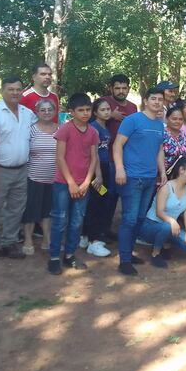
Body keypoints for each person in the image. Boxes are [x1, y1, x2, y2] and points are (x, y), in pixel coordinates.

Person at [0, 76, 37, 266]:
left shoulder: (28, 113)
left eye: (18, 89)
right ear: (2, 91)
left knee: (16, 209)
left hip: (22, 169)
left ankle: (8, 243)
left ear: (22, 91)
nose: (15, 93)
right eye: (10, 89)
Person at [113, 86, 166, 276]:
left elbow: (159, 149)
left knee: (140, 218)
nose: (157, 102)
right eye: (154, 99)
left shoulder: (160, 124)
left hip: (150, 177)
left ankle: (129, 253)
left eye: (160, 99)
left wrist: (162, 172)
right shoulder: (132, 120)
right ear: (146, 100)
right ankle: (124, 260)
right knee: (129, 218)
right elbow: (118, 145)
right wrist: (120, 169)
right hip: (132, 177)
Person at [46, 94, 100, 275]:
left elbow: (93, 158)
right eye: (81, 110)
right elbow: (59, 158)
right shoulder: (65, 130)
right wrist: (71, 183)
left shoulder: (93, 132)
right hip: (63, 184)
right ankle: (54, 257)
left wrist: (86, 182)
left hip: (83, 185)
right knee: (60, 220)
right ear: (72, 112)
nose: (85, 114)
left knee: (77, 222)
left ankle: (69, 255)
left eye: (88, 110)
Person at [138, 157, 186, 267]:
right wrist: (172, 221)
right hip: (151, 225)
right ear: (181, 170)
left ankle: (164, 243)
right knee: (166, 227)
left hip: (169, 227)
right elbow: (159, 212)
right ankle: (156, 253)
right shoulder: (166, 187)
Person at [21, 99, 59, 256]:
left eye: (50, 109)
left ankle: (46, 238)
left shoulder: (61, 129)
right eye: (43, 110)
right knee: (30, 210)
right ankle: (28, 239)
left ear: (55, 111)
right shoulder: (31, 130)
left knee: (47, 211)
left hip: (54, 179)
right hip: (33, 177)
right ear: (37, 113)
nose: (46, 112)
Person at [81, 98, 113, 257]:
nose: (107, 112)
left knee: (99, 200)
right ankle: (94, 241)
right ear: (95, 112)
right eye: (103, 110)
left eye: (108, 109)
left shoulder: (104, 127)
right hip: (96, 171)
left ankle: (85, 235)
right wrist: (98, 175)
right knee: (98, 202)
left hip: (105, 169)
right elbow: (94, 155)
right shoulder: (94, 128)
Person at [103, 74, 137, 138]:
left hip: (127, 146)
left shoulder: (133, 107)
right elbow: (90, 123)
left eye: (124, 88)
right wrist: (110, 115)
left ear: (129, 89)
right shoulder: (102, 102)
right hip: (105, 146)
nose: (121, 91)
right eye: (117, 88)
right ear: (111, 89)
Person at [163, 104, 186, 172]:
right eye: (174, 119)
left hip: (181, 175)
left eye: (180, 119)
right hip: (164, 174)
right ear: (167, 119)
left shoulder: (182, 134)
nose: (177, 122)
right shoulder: (162, 134)